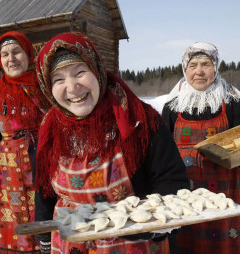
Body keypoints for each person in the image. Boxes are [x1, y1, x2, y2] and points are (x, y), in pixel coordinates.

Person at [33, 32, 189, 254]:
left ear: (97, 71)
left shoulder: (140, 120)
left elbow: (171, 180)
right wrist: (43, 238)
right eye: (58, 80)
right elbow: (45, 191)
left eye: (80, 73)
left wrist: (148, 225)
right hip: (71, 242)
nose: (72, 87)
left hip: (134, 242)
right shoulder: (50, 126)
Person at [161, 42, 240, 254]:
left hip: (226, 196)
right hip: (184, 197)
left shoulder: (232, 102)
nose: (199, 71)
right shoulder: (173, 105)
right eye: (193, 65)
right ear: (185, 69)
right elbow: (161, 154)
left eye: (206, 64)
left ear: (216, 67)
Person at [0, 31, 49, 253]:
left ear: (28, 54)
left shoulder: (45, 86)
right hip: (10, 174)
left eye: (16, 51)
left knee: (46, 214)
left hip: (43, 165)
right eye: (5, 54)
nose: (11, 59)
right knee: (15, 221)